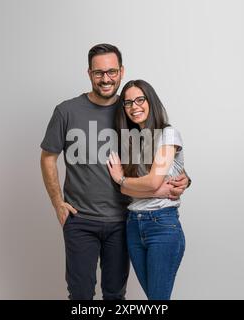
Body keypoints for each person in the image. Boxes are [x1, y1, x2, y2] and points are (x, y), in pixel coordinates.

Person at [40, 44, 190, 300]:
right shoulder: (66, 111)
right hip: (81, 220)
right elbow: (48, 158)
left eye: (111, 71)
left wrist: (185, 179)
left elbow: (160, 157)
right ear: (89, 73)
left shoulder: (131, 111)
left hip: (124, 220)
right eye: (99, 73)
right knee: (80, 294)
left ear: (121, 71)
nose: (106, 78)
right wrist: (57, 204)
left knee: (115, 294)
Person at [106, 79, 186, 300]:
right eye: (128, 102)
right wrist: (149, 188)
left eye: (140, 99)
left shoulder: (167, 134)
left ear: (151, 101)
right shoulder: (131, 142)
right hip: (133, 225)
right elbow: (128, 192)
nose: (134, 106)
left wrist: (122, 179)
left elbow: (150, 182)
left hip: (162, 225)